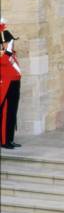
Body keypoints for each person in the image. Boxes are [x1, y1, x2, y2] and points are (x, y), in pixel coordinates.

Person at [0, 19, 21, 149]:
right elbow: (4, 62)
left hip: (14, 85)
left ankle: (10, 139)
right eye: (9, 42)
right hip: (6, 87)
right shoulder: (3, 55)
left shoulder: (10, 54)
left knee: (12, 113)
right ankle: (4, 141)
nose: (11, 44)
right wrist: (6, 50)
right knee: (6, 114)